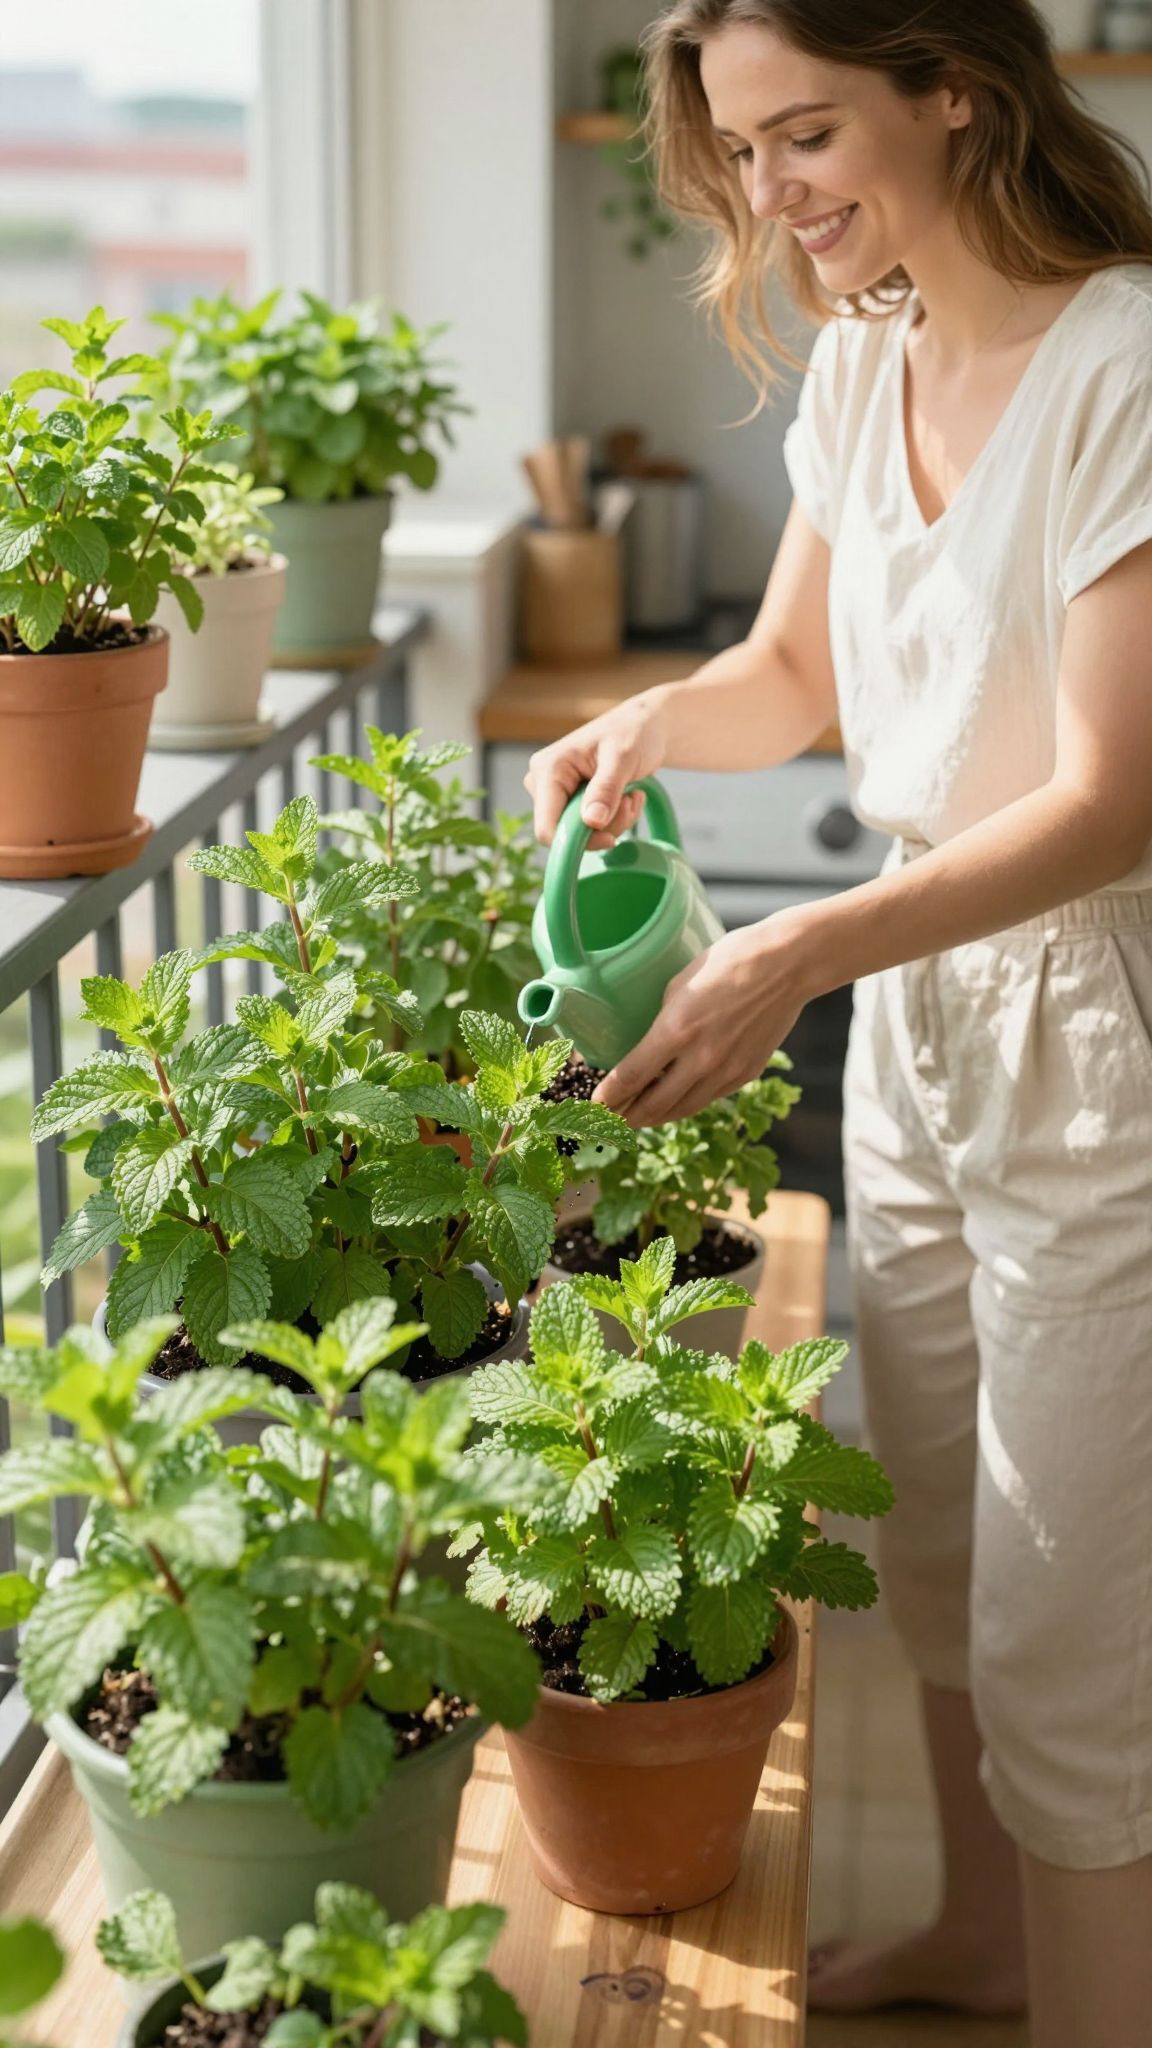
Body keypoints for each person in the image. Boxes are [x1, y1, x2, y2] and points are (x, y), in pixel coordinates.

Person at [524, 6, 1152, 2044]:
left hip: (1097, 1030)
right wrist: (644, 720)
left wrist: (795, 953)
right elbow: (788, 670)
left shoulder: (1125, 365)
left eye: (808, 135)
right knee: (957, 1541)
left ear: (954, 86)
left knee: (1080, 1618)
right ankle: (984, 1939)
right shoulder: (872, 356)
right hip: (920, 1026)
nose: (772, 193)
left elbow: (1111, 798)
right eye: (744, 152)